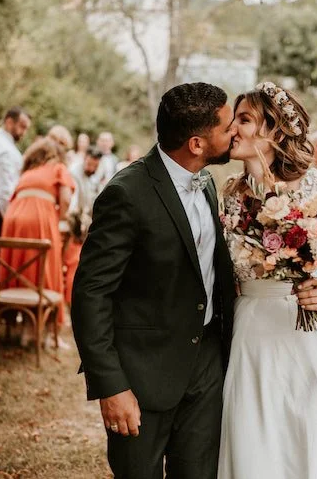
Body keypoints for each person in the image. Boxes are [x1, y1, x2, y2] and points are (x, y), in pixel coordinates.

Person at [72, 82, 237, 478]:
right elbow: (90, 294)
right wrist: (111, 386)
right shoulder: (126, 193)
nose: (235, 134)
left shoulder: (208, 182)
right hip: (143, 375)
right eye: (227, 127)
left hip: (206, 366)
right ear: (197, 143)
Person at [219, 82, 317, 478]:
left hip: (312, 329)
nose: (232, 129)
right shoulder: (231, 194)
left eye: (244, 119)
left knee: (311, 427)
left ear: (273, 130)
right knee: (257, 430)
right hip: (253, 327)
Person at [0, 138, 75, 330]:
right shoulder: (58, 167)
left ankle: (13, 324)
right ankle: (37, 329)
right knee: (45, 266)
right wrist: (59, 216)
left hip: (13, 217)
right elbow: (66, 198)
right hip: (39, 216)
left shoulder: (28, 172)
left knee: (16, 264)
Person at [0, 107, 31, 237]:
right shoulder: (3, 148)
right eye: (22, 127)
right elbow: (4, 190)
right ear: (9, 122)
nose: (24, 132)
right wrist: (10, 219)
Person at [63, 147, 103, 309]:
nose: (91, 168)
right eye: (89, 164)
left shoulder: (91, 177)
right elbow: (72, 207)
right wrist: (79, 229)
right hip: (72, 226)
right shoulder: (73, 173)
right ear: (85, 158)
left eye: (95, 166)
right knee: (72, 263)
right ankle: (69, 304)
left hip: (83, 225)